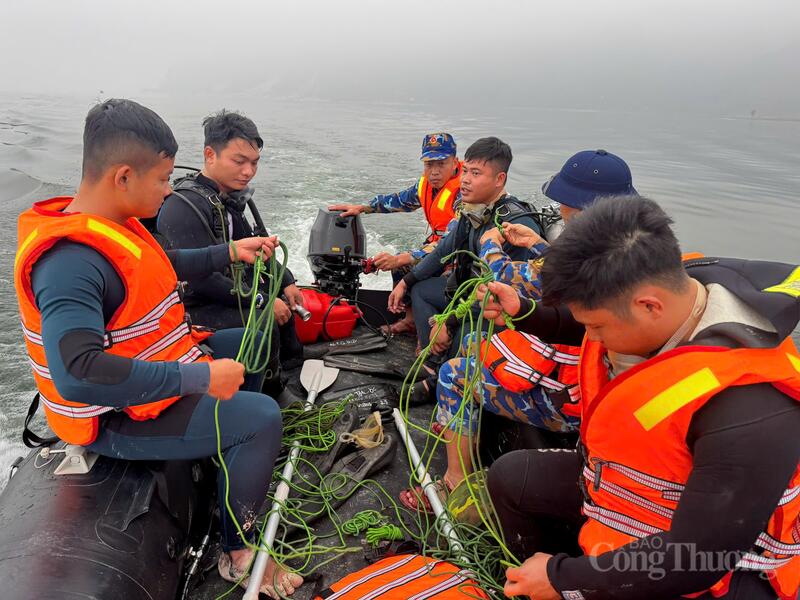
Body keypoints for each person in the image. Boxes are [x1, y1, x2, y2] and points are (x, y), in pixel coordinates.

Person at [13, 99, 302, 598]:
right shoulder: (69, 264)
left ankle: (228, 455)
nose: (170, 190)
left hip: (154, 370)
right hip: (113, 415)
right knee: (260, 418)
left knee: (250, 340)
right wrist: (201, 378)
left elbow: (159, 265)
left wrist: (228, 251)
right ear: (124, 176)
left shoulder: (113, 224)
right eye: (164, 179)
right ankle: (238, 552)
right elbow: (76, 373)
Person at [480, 197, 800, 599]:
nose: (591, 338)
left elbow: (695, 559)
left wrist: (563, 579)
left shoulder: (751, 410)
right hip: (625, 486)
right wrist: (526, 311)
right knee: (510, 478)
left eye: (597, 327)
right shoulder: (668, 292)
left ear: (650, 306)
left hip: (711, 561)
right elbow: (589, 322)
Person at [402, 151, 637, 511]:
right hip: (588, 385)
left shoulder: (583, 259)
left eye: (564, 202)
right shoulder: (622, 250)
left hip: (567, 405)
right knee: (473, 342)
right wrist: (535, 243)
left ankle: (454, 484)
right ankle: (456, 425)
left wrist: (490, 243)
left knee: (453, 375)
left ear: (581, 208)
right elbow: (552, 269)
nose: (560, 209)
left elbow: (515, 276)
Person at [387, 137, 542, 403]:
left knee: (467, 330)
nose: (465, 180)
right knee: (421, 290)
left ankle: (442, 380)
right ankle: (433, 362)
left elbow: (502, 296)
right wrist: (406, 282)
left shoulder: (515, 225)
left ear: (500, 179)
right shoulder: (473, 212)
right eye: (466, 171)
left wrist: (448, 322)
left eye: (476, 173)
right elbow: (441, 252)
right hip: (467, 294)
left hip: (498, 311)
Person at [156, 110, 305, 385]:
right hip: (195, 307)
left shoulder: (227, 199)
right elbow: (201, 282)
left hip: (228, 293)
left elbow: (257, 249)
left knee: (282, 302)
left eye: (254, 163)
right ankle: (272, 389)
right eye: (239, 161)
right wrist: (261, 301)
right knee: (265, 318)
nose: (248, 171)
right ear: (210, 155)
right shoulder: (183, 207)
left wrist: (286, 281)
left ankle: (294, 367)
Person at [329, 132, 462, 335]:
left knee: (434, 281)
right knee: (401, 267)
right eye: (429, 164)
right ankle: (410, 320)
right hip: (435, 246)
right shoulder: (425, 185)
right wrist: (362, 208)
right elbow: (398, 201)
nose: (434, 171)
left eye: (441, 164)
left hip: (458, 254)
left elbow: (450, 243)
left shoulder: (464, 192)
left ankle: (442, 331)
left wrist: (400, 259)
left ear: (454, 162)